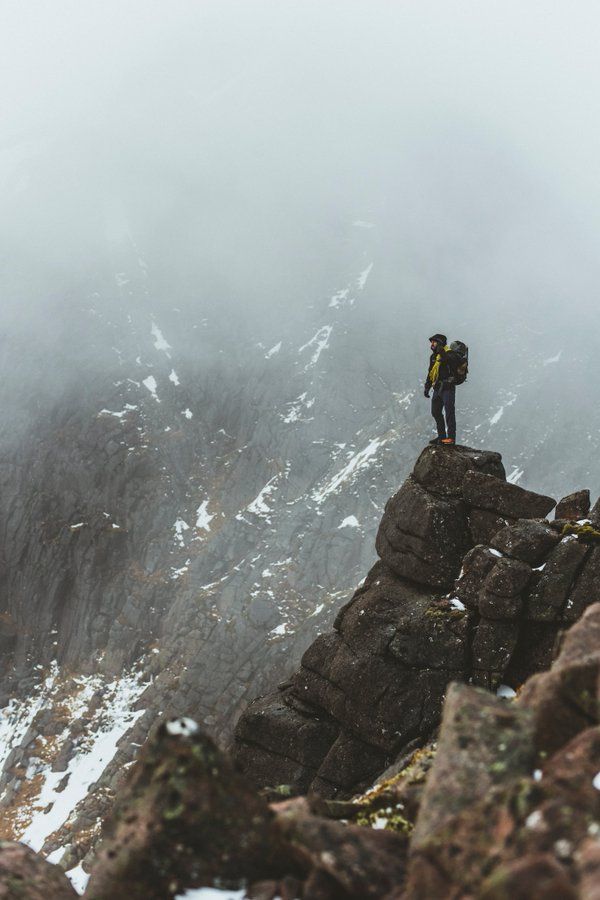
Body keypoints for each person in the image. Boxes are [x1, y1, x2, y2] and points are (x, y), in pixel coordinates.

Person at [424, 333, 457, 446]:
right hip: (437, 388)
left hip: (448, 388)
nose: (432, 344)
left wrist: (441, 351)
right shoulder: (433, 357)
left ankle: (451, 438)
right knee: (436, 412)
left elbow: (449, 361)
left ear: (440, 343)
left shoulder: (449, 353)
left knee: (449, 412)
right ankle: (442, 437)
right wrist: (427, 387)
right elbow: (430, 372)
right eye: (431, 342)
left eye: (434, 342)